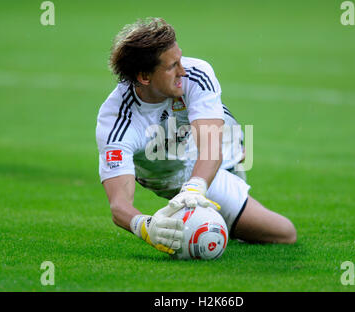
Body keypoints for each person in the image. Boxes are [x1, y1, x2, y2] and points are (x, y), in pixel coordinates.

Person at [96, 17, 296, 255]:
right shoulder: (117, 122)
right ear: (144, 77)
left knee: (286, 234)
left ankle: (231, 166)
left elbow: (211, 150)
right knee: (282, 232)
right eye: (172, 66)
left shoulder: (196, 74)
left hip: (208, 150)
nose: (182, 70)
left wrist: (196, 187)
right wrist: (145, 226)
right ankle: (224, 189)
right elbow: (119, 205)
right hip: (171, 177)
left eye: (180, 59)